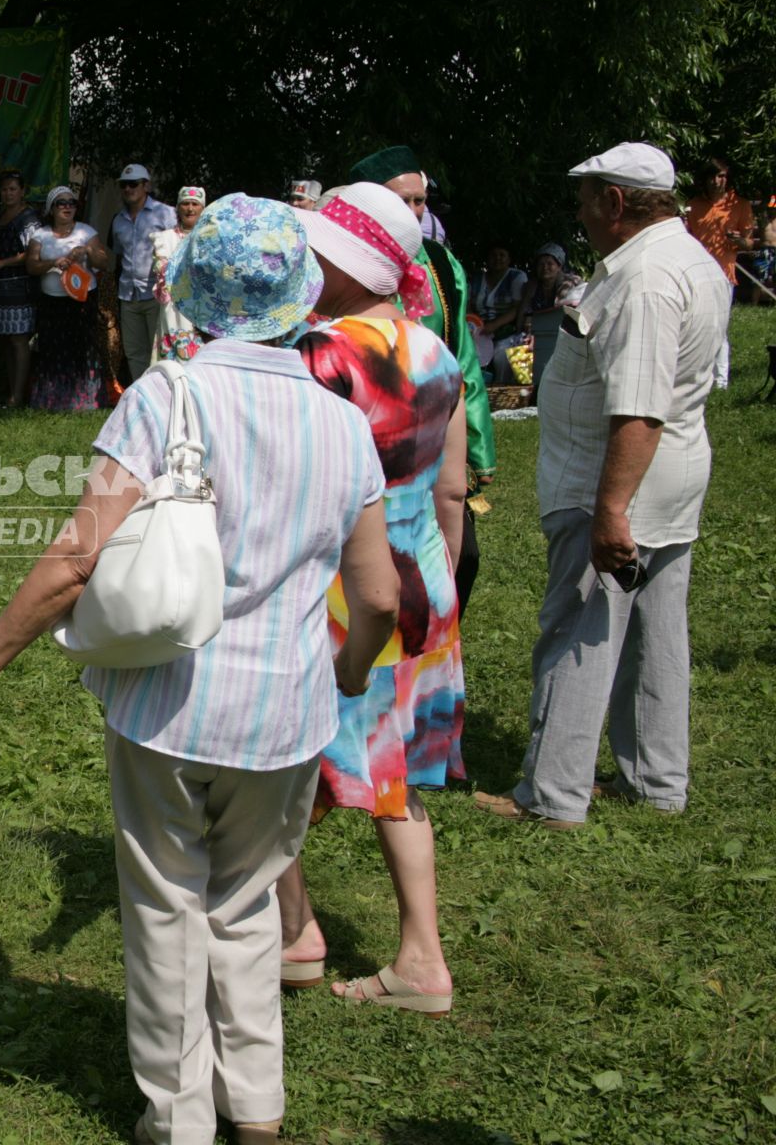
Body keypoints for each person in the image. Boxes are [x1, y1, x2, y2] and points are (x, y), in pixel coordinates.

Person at [0, 193, 397, 1145]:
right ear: (299, 300)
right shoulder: (343, 424)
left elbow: (76, 558)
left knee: (170, 908)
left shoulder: (169, 396)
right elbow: (377, 596)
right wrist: (344, 673)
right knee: (250, 907)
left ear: (195, 292)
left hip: (170, 709)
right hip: (286, 720)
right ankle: (255, 1108)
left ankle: (178, 1122)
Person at [477, 142, 728, 829]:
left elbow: (640, 407)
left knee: (578, 628)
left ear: (615, 203)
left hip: (615, 488)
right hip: (668, 483)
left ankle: (552, 793)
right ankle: (655, 778)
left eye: (586, 201)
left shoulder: (645, 280)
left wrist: (610, 510)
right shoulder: (688, 261)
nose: (580, 214)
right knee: (654, 634)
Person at [274, 182, 467, 1017]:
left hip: (338, 586)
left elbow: (292, 479)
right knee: (395, 772)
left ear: (345, 265)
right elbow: (453, 489)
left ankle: (294, 934)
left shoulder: (319, 354)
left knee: (278, 755)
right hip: (423, 580)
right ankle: (421, 955)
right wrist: (442, 584)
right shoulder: (439, 351)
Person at [347, 145, 494, 615]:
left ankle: (435, 624)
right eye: (401, 201)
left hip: (434, 429)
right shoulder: (343, 263)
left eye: (419, 201)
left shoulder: (439, 262)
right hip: (366, 431)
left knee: (460, 553)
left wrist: (478, 446)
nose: (414, 212)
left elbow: (463, 358)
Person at [25, 184, 104, 410]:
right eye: (62, 203)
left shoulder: (87, 232)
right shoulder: (40, 235)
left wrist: (86, 251)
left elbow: (103, 262)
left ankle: (85, 401)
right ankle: (53, 400)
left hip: (82, 299)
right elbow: (31, 266)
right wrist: (53, 262)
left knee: (82, 346)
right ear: (52, 208)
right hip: (51, 300)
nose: (67, 207)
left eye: (72, 203)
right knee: (52, 348)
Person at [685, 154, 750, 388]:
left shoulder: (739, 205)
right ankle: (697, 376)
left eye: (721, 176)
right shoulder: (694, 205)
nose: (717, 181)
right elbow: (686, 238)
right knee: (694, 326)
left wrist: (739, 239)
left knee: (719, 328)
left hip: (724, 274)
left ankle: (721, 381)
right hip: (695, 274)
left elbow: (749, 245)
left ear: (727, 179)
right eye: (713, 175)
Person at [108, 163, 177, 384]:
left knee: (160, 349)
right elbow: (120, 256)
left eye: (133, 184)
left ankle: (163, 395)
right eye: (124, 185)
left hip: (158, 294)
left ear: (146, 186)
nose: (128, 189)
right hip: (129, 294)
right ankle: (142, 397)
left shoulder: (166, 214)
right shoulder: (118, 220)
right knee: (134, 353)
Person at [0, 168, 40, 408]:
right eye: (4, 189)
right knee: (4, 340)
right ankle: (7, 390)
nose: (8, 193)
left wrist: (1, 263)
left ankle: (18, 395)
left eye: (13, 189)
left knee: (18, 339)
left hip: (18, 286)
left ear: (22, 191)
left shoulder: (29, 218)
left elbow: (32, 253)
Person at [150, 187, 206, 363]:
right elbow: (161, 269)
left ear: (202, 209)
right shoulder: (164, 238)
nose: (190, 208)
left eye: (195, 204)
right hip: (173, 309)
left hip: (202, 308)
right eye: (186, 204)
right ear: (178, 208)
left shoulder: (209, 238)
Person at [525, 241, 583, 388]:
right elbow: (525, 312)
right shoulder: (533, 286)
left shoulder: (569, 283)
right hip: (535, 333)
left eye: (550, 263)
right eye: (541, 264)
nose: (545, 267)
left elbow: (560, 310)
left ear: (559, 266)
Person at [471, 242, 532, 383]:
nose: (497, 258)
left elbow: (517, 307)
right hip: (478, 329)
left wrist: (493, 325)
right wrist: (474, 324)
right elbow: (468, 305)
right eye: (493, 255)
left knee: (501, 355)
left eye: (502, 255)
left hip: (507, 330)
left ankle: (504, 390)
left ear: (509, 259)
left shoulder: (516, 276)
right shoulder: (477, 278)